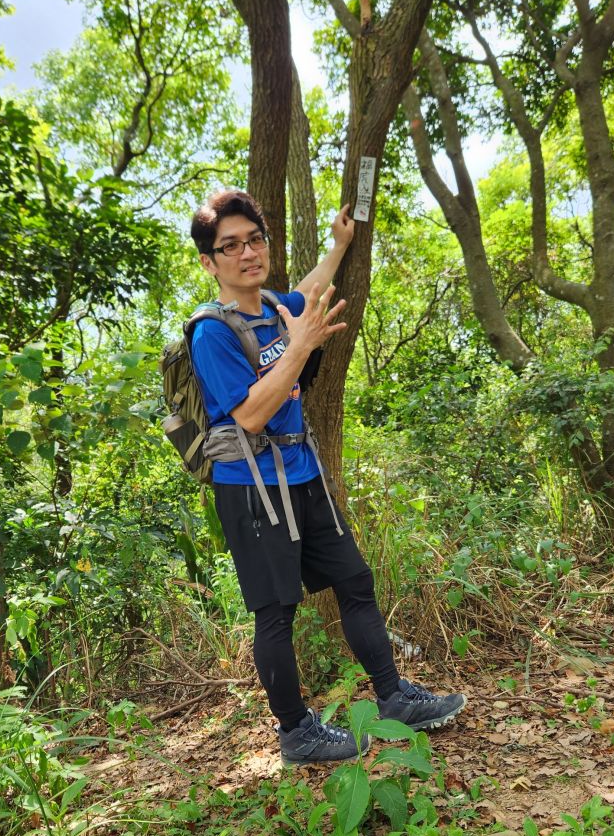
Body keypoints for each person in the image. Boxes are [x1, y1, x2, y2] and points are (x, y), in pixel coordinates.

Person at [189, 189, 466, 765]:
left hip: (303, 475)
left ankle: (393, 697)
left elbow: (311, 289)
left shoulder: (276, 307)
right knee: (276, 611)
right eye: (231, 246)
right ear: (209, 262)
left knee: (355, 580)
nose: (248, 253)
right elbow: (249, 414)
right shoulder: (212, 332)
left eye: (255, 240)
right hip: (251, 488)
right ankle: (296, 732)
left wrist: (339, 246)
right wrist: (301, 345)